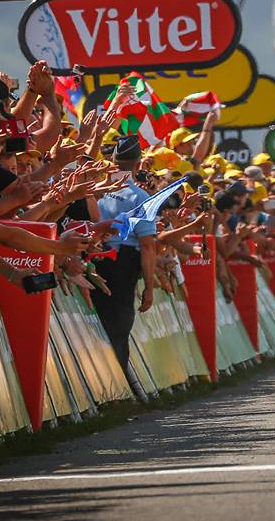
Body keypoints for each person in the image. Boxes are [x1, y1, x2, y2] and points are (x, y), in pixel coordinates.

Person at [94, 135, 157, 377]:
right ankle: (118, 380)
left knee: (99, 322)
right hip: (122, 264)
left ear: (112, 160)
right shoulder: (140, 198)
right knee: (119, 325)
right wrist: (149, 287)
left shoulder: (96, 190)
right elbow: (148, 246)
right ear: (139, 164)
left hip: (93, 258)